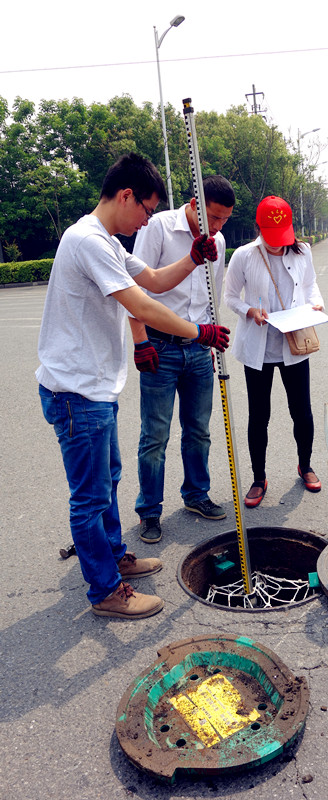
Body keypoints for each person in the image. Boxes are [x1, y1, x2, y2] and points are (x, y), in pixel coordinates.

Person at [36, 152, 230, 620]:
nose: (146, 219)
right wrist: (198, 332)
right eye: (146, 209)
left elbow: (156, 281)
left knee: (108, 481)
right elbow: (141, 305)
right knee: (90, 497)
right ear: (126, 196)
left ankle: (115, 556)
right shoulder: (88, 241)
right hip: (76, 391)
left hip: (95, 388)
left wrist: (192, 259)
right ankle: (106, 590)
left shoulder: (107, 242)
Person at [130, 176, 235, 544]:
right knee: (155, 435)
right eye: (213, 217)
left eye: (224, 219)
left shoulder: (217, 241)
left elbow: (211, 296)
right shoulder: (158, 227)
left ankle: (196, 494)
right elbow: (136, 289)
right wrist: (140, 341)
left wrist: (211, 340)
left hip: (199, 348)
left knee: (198, 430)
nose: (218, 226)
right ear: (194, 204)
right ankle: (149, 510)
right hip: (160, 348)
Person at [224, 195, 324, 507]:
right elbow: (230, 296)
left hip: (295, 344)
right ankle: (259, 478)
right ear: (259, 228)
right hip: (259, 349)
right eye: (272, 237)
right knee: (259, 415)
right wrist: (249, 311)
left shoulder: (302, 250)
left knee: (301, 411)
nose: (279, 244)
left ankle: (305, 465)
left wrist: (316, 304)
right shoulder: (244, 256)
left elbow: (310, 285)